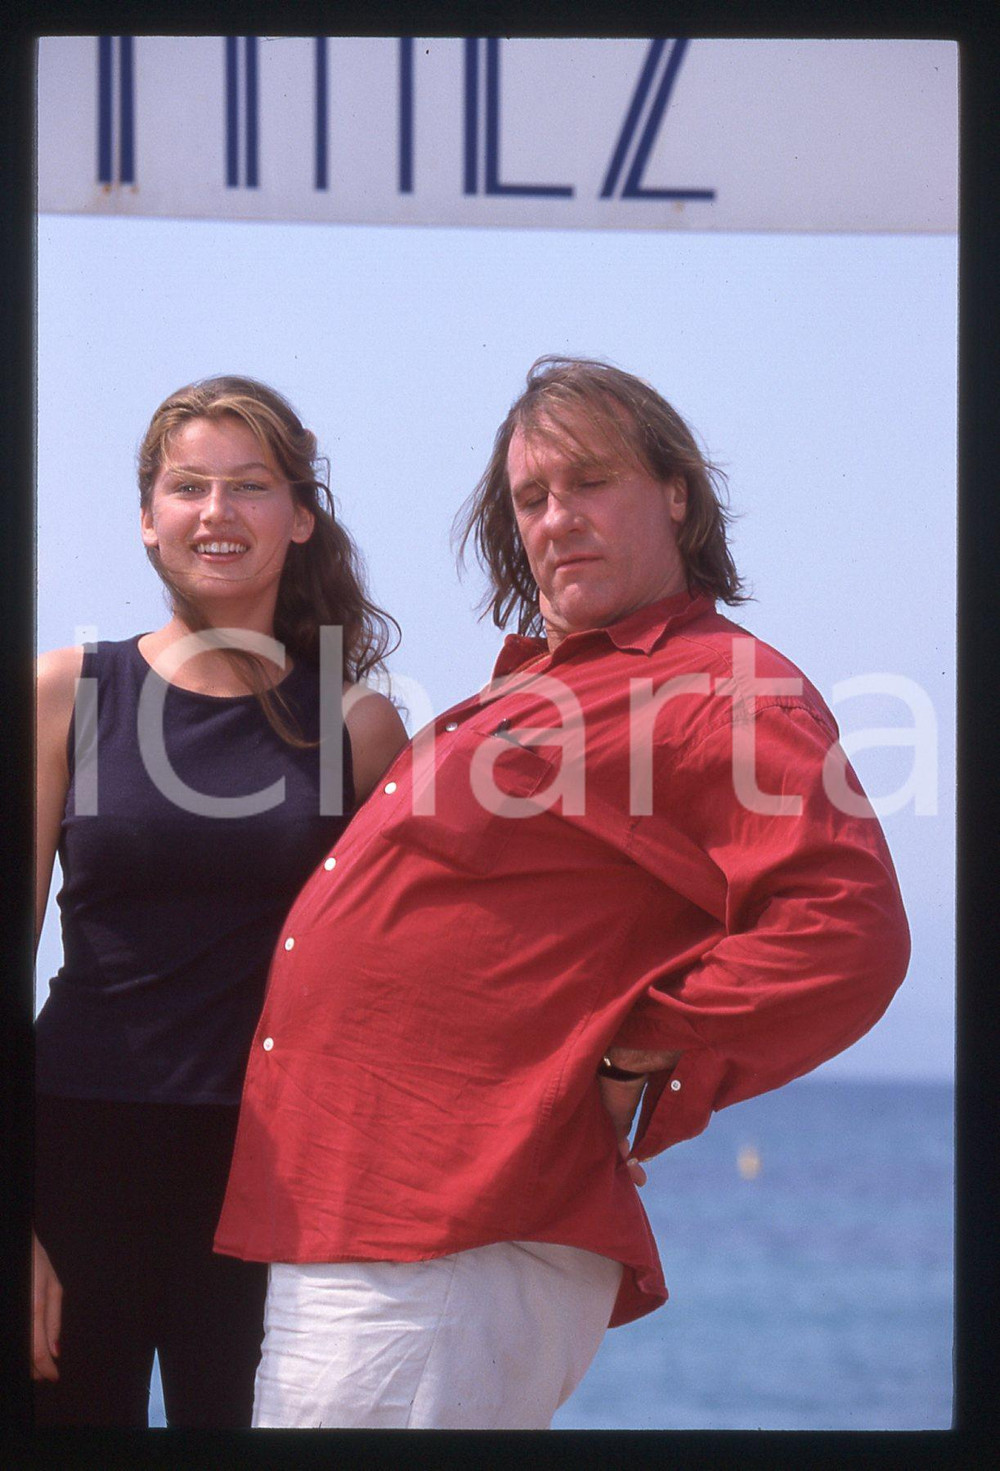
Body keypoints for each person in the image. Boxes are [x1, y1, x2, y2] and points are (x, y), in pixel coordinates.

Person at [214, 356, 911, 1430]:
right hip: (377, 1210)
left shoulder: (719, 686)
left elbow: (847, 932)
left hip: (453, 1217)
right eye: (532, 496)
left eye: (589, 481)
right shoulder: (552, 681)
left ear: (674, 493)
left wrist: (644, 1051)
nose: (556, 518)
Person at [32, 376, 408, 1427]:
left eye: (250, 485)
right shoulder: (65, 693)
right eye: (188, 485)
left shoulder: (358, 726)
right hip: (72, 1160)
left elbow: (403, 983)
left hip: (275, 1180)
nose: (217, 511)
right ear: (147, 518)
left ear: (300, 516)